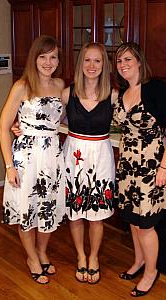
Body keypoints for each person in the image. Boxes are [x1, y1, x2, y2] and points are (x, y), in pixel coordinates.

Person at [113, 42, 166, 297]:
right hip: (128, 166)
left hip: (151, 168)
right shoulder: (122, 91)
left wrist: (164, 167)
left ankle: (151, 271)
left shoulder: (156, 89)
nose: (124, 65)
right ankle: (139, 261)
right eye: (119, 61)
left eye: (128, 59)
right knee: (132, 218)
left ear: (140, 61)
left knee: (146, 224)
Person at [0, 35, 66, 284]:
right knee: (28, 209)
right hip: (26, 158)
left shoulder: (60, 85)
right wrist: (9, 165)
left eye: (53, 57)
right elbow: (3, 126)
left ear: (58, 60)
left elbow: (62, 121)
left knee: (47, 208)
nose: (48, 62)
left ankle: (42, 251)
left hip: (52, 157)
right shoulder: (22, 86)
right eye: (43, 57)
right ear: (34, 59)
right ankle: (31, 257)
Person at [61, 42, 118, 284]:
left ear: (104, 64)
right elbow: (52, 120)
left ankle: (93, 257)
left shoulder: (113, 95)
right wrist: (22, 127)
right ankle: (81, 256)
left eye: (97, 60)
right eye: (87, 60)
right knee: (75, 214)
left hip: (101, 156)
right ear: (80, 63)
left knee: (96, 215)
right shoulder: (67, 93)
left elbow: (134, 123)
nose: (92, 65)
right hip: (73, 155)